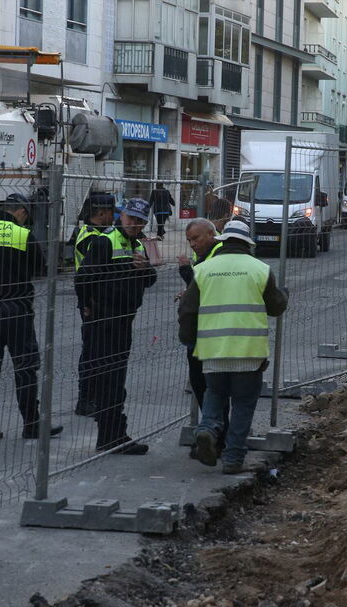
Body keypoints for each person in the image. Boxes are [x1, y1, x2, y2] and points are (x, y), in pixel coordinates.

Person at [179, 220, 288, 474]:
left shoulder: (204, 269)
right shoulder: (260, 269)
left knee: (214, 394)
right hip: (249, 352)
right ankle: (233, 458)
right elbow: (276, 307)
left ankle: (206, 429)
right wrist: (285, 293)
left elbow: (187, 309)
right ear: (247, 244)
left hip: (213, 351)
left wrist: (188, 339)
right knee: (243, 403)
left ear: (222, 241)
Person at [0, 194, 64, 442]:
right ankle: (31, 423)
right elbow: (39, 267)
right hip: (16, 309)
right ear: (21, 211)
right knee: (25, 367)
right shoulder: (23, 235)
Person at [75, 197, 156, 454]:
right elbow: (83, 278)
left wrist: (143, 269)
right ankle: (111, 435)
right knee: (110, 379)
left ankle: (112, 434)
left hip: (123, 320)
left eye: (140, 221)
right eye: (132, 219)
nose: (135, 224)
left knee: (115, 378)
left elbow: (150, 279)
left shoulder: (137, 245)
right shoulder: (104, 241)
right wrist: (86, 308)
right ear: (122, 216)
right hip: (105, 321)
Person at [176, 218, 228, 455]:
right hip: (206, 330)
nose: (192, 244)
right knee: (205, 385)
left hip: (208, 332)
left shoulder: (217, 255)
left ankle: (215, 435)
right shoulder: (209, 254)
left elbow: (207, 288)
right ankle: (216, 434)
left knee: (208, 385)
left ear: (210, 233)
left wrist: (187, 272)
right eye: (189, 240)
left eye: (195, 239)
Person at [74, 194, 116, 417]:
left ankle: (95, 397)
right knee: (92, 352)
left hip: (99, 301)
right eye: (111, 213)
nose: (113, 217)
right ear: (102, 213)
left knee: (100, 351)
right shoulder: (90, 236)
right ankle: (86, 399)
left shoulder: (99, 233)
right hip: (91, 301)